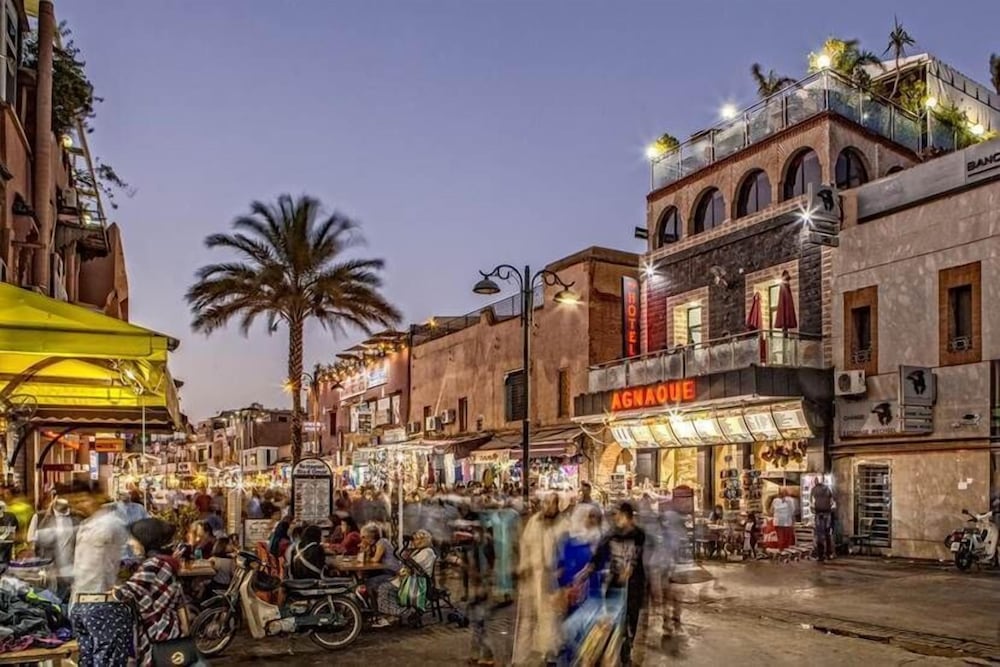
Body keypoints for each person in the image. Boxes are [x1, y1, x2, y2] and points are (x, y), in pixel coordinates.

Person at [113, 518, 187, 667]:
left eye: (133, 539)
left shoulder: (153, 565)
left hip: (158, 632)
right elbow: (179, 599)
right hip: (169, 629)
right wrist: (185, 628)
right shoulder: (166, 563)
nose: (130, 543)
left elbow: (124, 594)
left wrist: (111, 588)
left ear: (145, 540)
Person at [589, 502, 648, 666]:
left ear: (627, 516)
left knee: (630, 622)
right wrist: (589, 568)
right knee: (611, 621)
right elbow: (598, 555)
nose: (615, 519)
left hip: (634, 587)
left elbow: (638, 556)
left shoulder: (639, 535)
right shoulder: (611, 535)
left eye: (619, 515)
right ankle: (608, 653)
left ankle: (626, 653)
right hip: (615, 585)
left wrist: (630, 570)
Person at [512, 492, 565, 666]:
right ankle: (520, 659)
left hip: (552, 580)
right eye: (545, 502)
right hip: (530, 578)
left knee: (550, 620)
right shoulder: (534, 522)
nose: (547, 506)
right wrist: (523, 565)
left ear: (557, 506)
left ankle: (550, 657)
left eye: (551, 503)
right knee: (526, 620)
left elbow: (566, 552)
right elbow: (525, 545)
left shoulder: (563, 525)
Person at [372, 529, 437, 627]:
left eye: (416, 539)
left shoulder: (427, 552)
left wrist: (405, 563)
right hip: (411, 579)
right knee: (383, 585)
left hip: (417, 583)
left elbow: (415, 567)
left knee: (384, 588)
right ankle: (392, 615)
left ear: (422, 540)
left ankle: (404, 613)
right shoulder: (418, 551)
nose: (413, 542)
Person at [71, 496, 129, 601]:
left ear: (97, 498)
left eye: (83, 500)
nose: (80, 505)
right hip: (81, 589)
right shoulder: (86, 524)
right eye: (77, 502)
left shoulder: (111, 524)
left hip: (102, 590)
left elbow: (126, 556)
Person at [557, 504, 603, 615]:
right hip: (572, 583)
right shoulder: (571, 538)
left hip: (592, 583)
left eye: (595, 516)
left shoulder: (601, 538)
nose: (592, 520)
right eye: (589, 516)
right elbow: (563, 561)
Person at [34, 497, 81, 601]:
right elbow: (37, 543)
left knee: (67, 593)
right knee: (52, 594)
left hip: (71, 563)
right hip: (51, 564)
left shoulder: (77, 518)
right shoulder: (41, 517)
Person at [810, 479, 835, 561]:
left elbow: (811, 503)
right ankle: (829, 553)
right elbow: (832, 502)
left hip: (818, 514)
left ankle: (820, 555)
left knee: (819, 535)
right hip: (827, 514)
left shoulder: (814, 490)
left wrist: (813, 510)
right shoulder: (828, 489)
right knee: (828, 534)